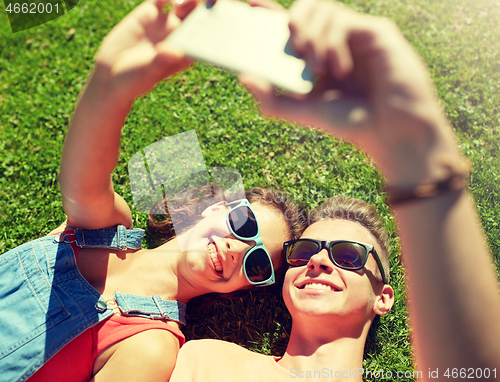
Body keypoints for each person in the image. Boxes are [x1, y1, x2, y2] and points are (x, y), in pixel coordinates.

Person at [169, 0, 500, 379]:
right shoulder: (203, 358)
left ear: (383, 297)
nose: (317, 261)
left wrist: (420, 154)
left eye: (348, 255)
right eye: (304, 250)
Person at [0, 1, 306, 381]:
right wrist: (108, 82)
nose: (237, 248)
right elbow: (80, 180)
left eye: (256, 263)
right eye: (243, 225)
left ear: (244, 287)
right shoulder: (106, 231)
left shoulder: (152, 346)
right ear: (214, 208)